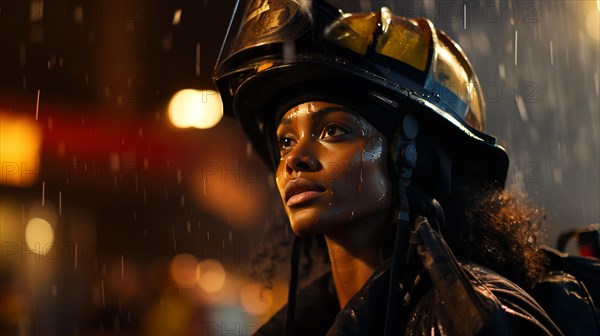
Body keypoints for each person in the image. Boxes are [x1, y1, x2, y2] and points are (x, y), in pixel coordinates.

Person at [213, 0, 600, 335]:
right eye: (285, 140)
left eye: (333, 129)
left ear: (411, 158)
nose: (294, 158)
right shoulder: (312, 321)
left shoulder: (473, 319)